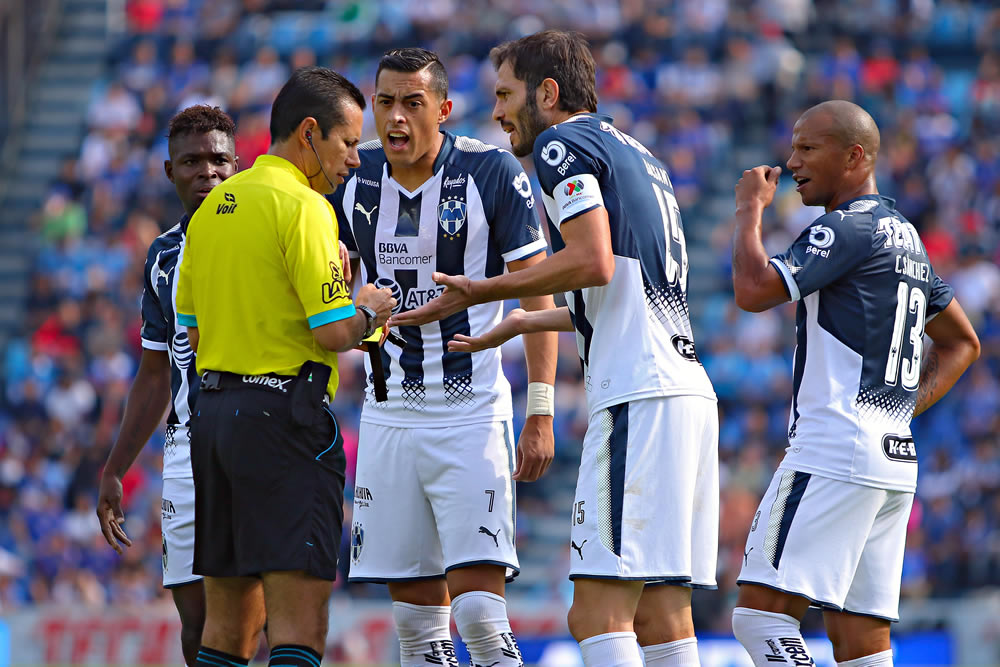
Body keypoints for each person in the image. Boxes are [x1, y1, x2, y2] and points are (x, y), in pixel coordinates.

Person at [391, 31, 719, 667]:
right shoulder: (639, 154)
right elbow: (622, 289)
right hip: (683, 393)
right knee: (661, 615)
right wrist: (521, 323)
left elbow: (593, 261)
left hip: (638, 394)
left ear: (547, 93)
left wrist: (484, 288)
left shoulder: (560, 144)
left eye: (505, 95)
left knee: (595, 614)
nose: (497, 112)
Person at [728, 100, 981, 667]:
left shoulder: (847, 226)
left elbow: (751, 291)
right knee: (861, 644)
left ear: (854, 156)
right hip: (891, 456)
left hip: (835, 447)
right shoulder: (905, 236)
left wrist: (748, 210)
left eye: (808, 148)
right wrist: (902, 409)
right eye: (793, 147)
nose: (792, 162)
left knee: (760, 618)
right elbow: (963, 341)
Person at [329, 48, 556, 667]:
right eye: (384, 103)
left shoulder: (490, 171)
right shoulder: (351, 177)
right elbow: (330, 290)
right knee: (416, 626)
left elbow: (537, 293)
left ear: (445, 109)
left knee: (480, 614)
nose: (395, 117)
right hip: (388, 417)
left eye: (412, 103)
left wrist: (540, 409)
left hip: (470, 414)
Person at [175, 67, 396, 667]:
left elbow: (192, 331)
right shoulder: (304, 206)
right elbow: (333, 331)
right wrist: (369, 309)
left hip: (213, 421)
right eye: (347, 142)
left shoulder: (212, 208)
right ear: (309, 133)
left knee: (226, 629)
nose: (354, 159)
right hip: (283, 421)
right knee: (299, 625)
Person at [96, 104, 262, 666]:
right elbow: (153, 373)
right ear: (170, 172)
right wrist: (115, 468)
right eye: (191, 162)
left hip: (259, 439)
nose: (207, 172)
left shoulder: (268, 235)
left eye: (219, 160)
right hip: (187, 450)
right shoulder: (164, 255)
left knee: (253, 613)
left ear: (237, 165)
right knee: (196, 624)